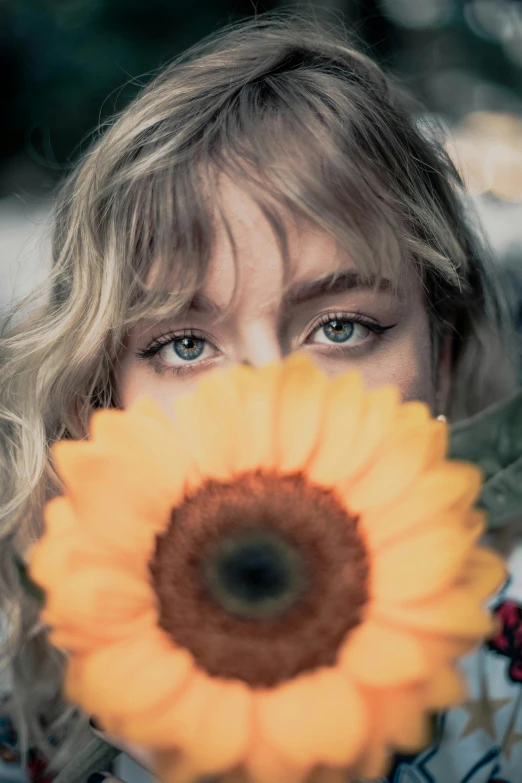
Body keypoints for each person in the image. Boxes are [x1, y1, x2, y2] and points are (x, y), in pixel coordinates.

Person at [0, 11, 520, 783]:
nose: (267, 399)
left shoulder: (503, 702)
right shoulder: (25, 715)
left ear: (439, 359)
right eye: (184, 344)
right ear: (103, 400)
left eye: (340, 328)